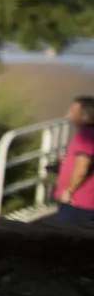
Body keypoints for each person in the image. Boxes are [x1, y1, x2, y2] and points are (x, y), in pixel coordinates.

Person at [54, 96, 94, 227]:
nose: (68, 114)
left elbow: (82, 169)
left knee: (65, 240)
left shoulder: (86, 136)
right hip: (87, 203)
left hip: (77, 203)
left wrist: (68, 191)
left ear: (86, 116)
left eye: (73, 110)